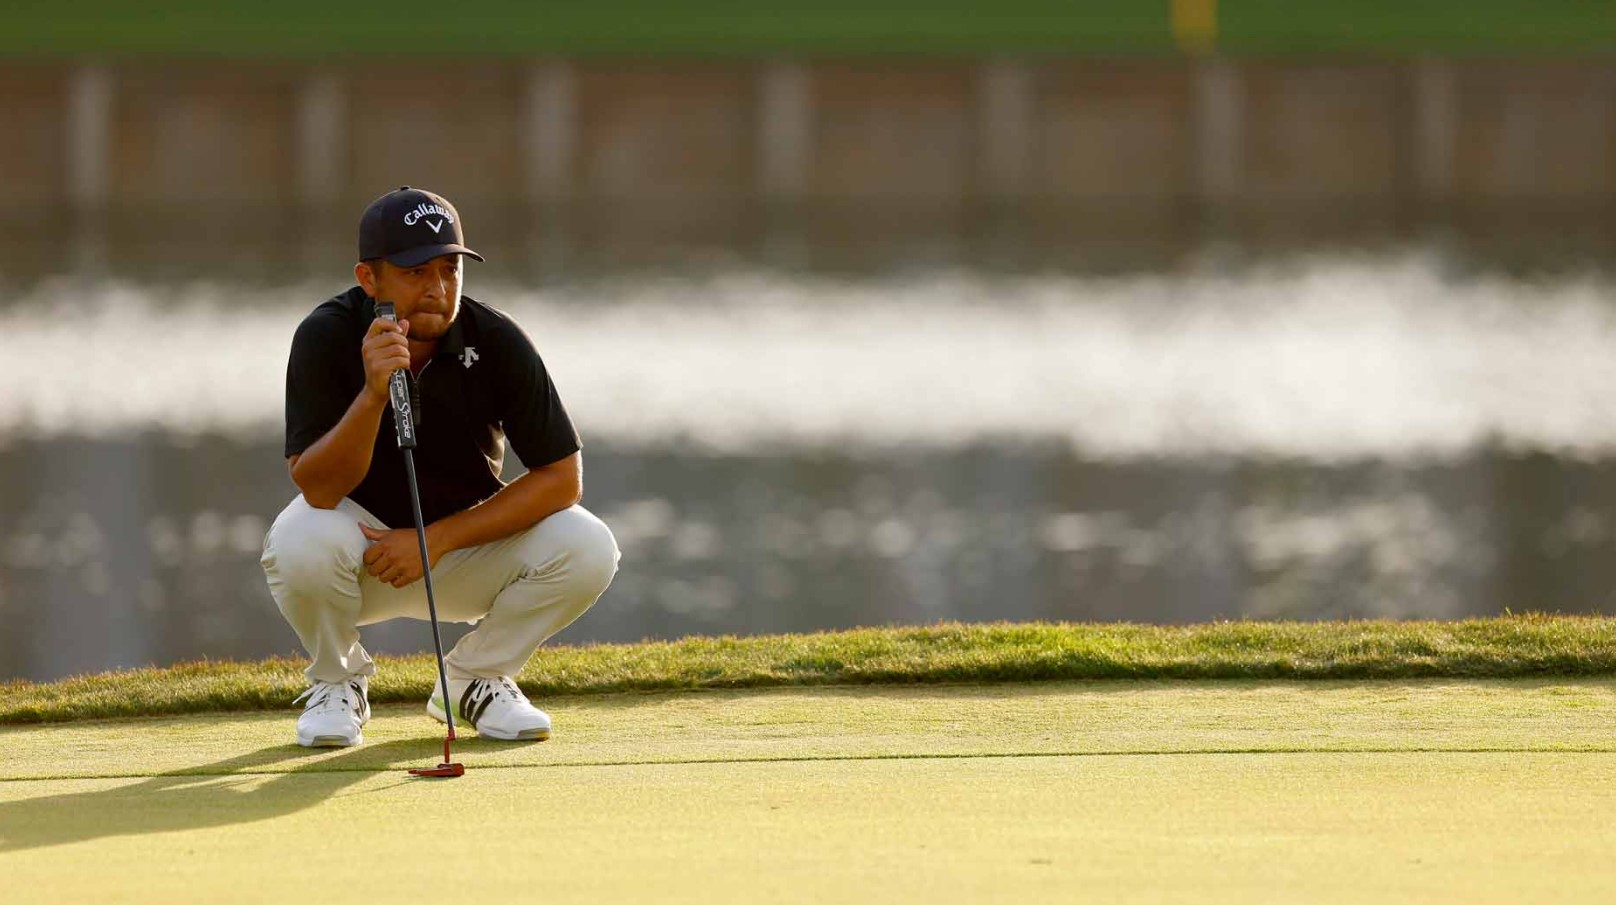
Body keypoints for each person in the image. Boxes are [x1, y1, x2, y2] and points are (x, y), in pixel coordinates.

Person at [260, 186, 618, 747]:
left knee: (588, 544)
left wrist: (434, 540)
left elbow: (561, 478)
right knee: (298, 538)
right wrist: (374, 395)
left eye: (450, 270)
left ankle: (474, 679)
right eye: (416, 272)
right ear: (369, 279)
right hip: (358, 554)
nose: (438, 289)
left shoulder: (495, 339)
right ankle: (338, 683)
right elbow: (319, 488)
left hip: (460, 549)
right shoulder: (326, 335)